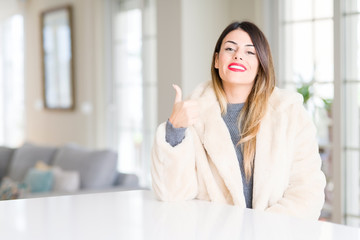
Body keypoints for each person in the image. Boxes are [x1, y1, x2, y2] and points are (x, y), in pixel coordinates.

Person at [151, 21, 326, 220]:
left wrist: (262, 230)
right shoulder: (193, 115)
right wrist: (175, 129)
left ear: (261, 64)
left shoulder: (290, 113)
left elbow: (307, 191)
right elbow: (171, 194)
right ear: (217, 60)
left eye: (250, 52)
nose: (238, 55)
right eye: (230, 48)